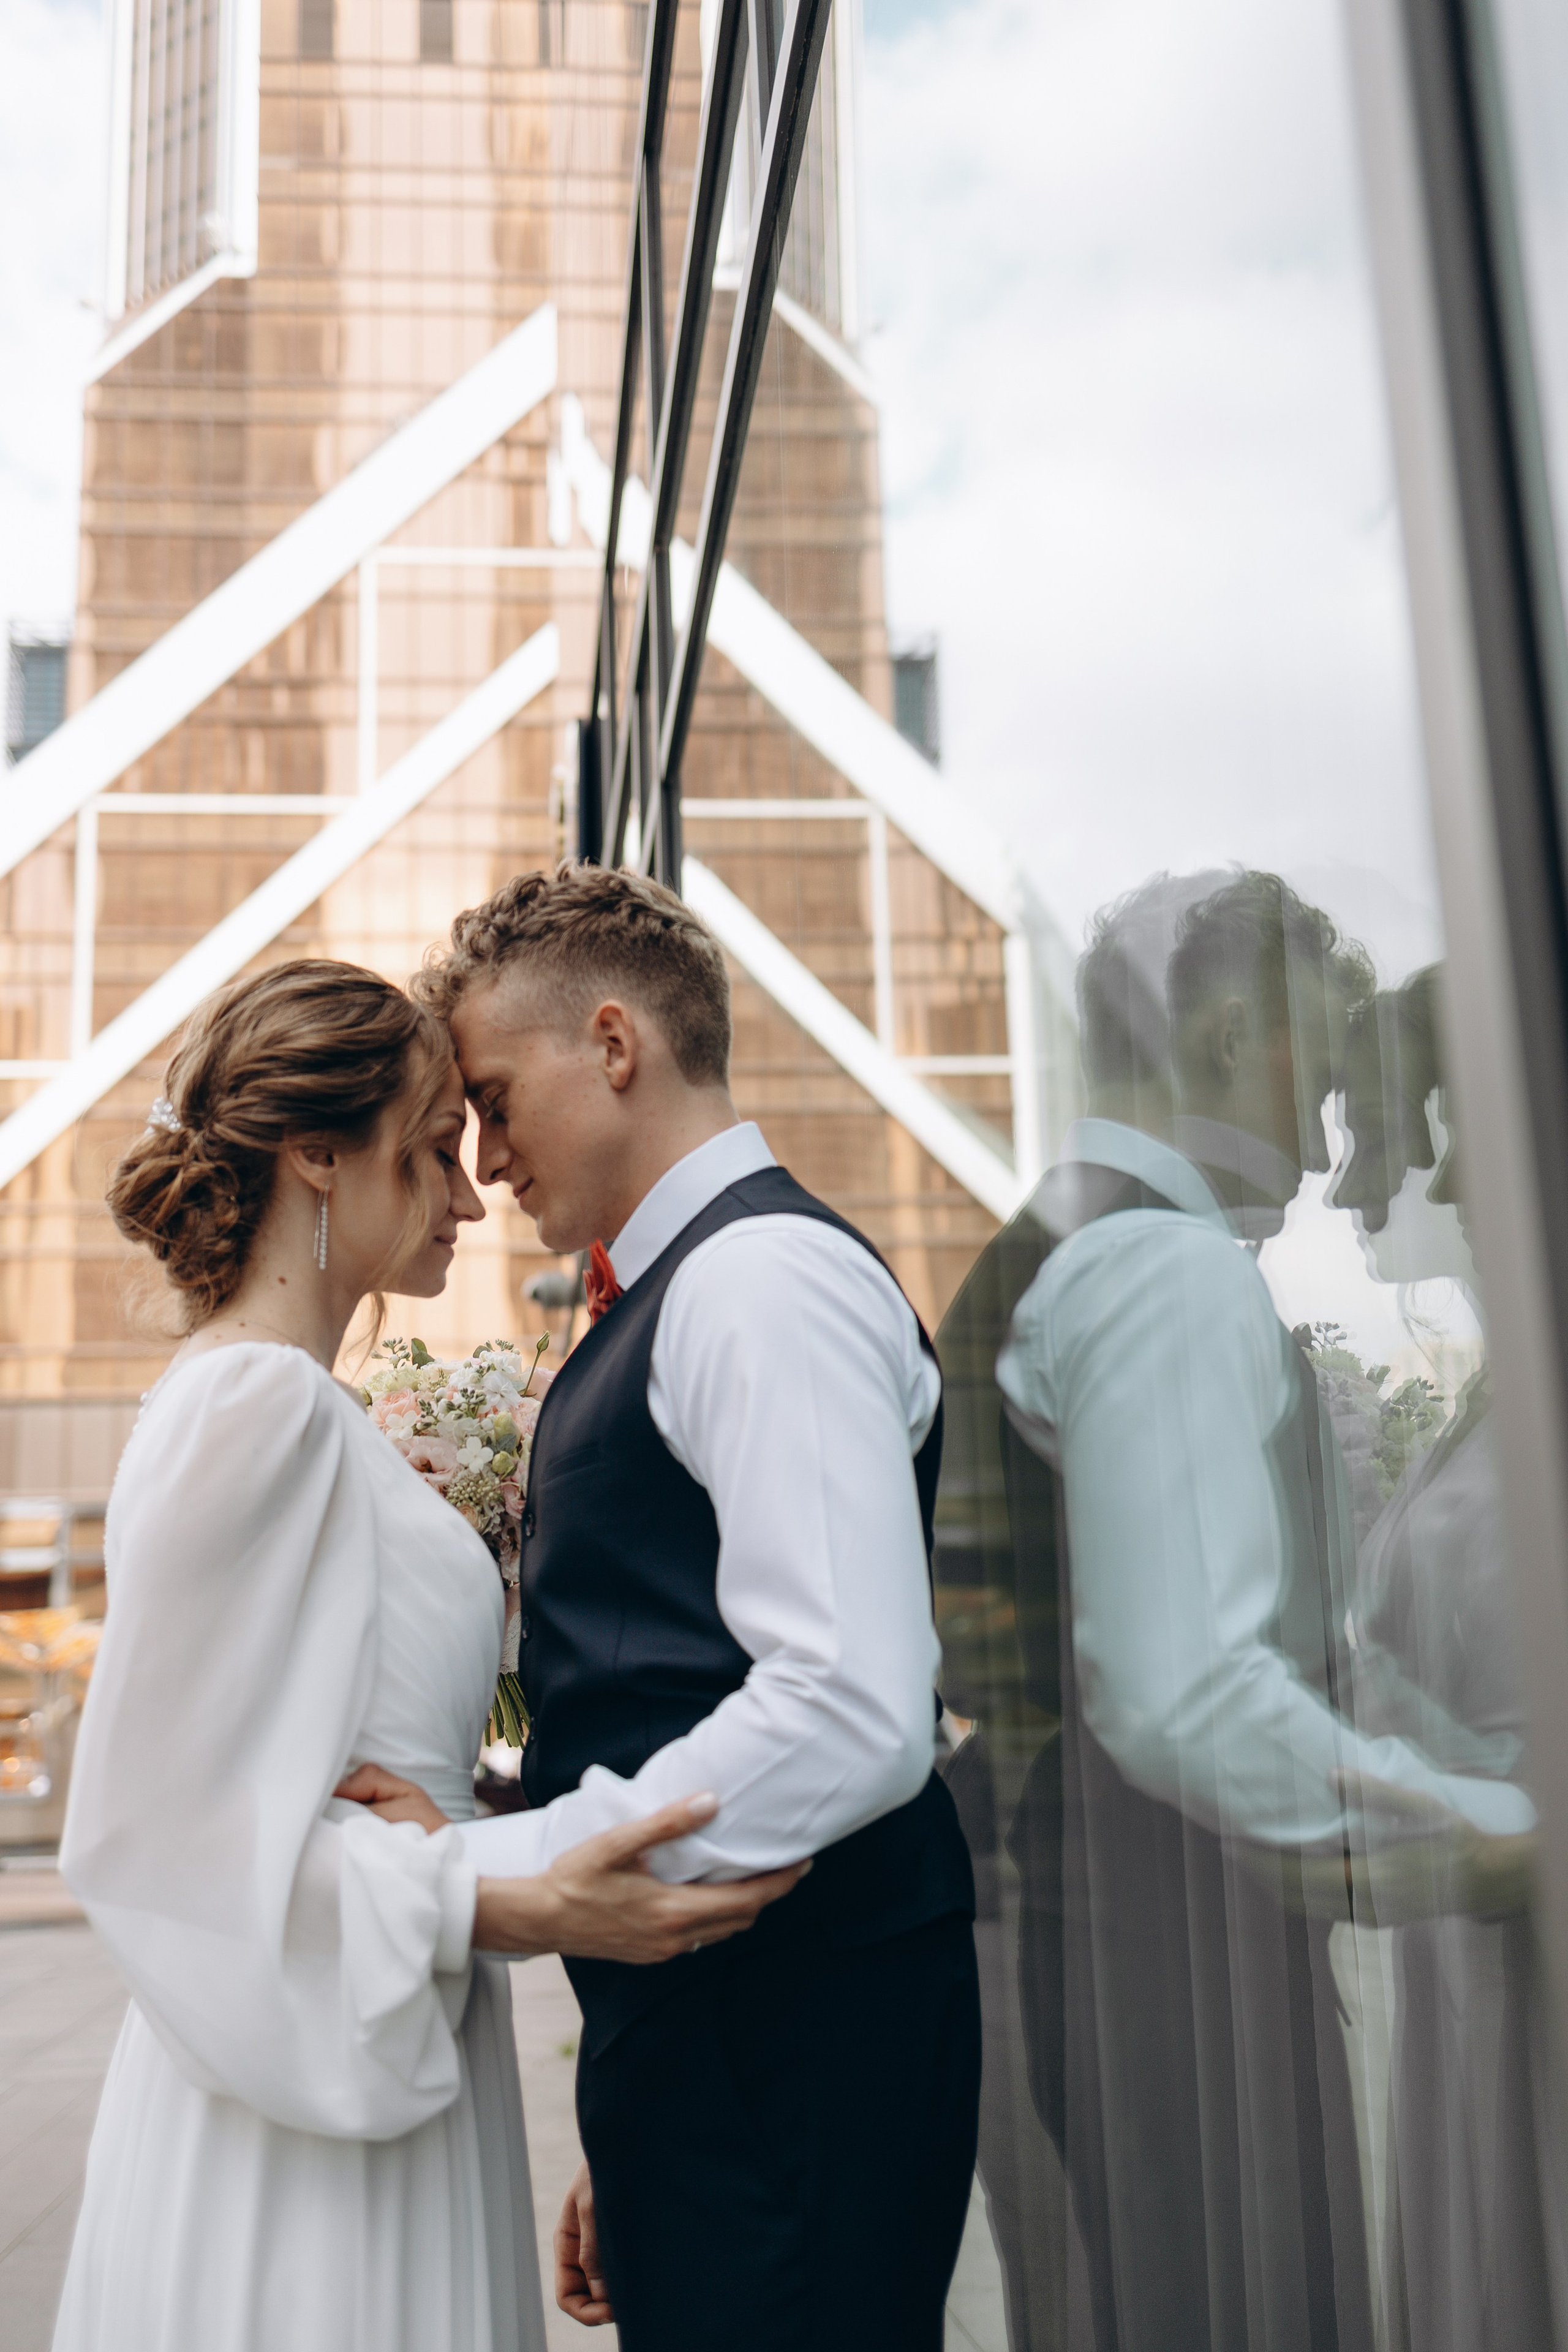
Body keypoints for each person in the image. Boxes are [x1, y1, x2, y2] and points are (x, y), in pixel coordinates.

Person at [53, 959, 804, 2352]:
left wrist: (488, 1833)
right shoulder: (256, 1404)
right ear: (318, 1155)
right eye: (435, 1151)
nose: (470, 1196)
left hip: (386, 2018)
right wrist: (519, 1899)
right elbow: (162, 1832)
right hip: (304, 2098)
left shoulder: (288, 1402)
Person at [348, 864, 981, 2351]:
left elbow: (846, 1706)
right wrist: (638, 2101)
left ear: (614, 1044)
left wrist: (491, 1869)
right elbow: (673, 1678)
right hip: (730, 2053)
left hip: (793, 2045)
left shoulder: (759, 1282)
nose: (486, 1156)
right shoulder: (689, 1289)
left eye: (494, 1099)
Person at [933, 873, 1534, 2352]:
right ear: (1217, 1034)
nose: (1331, 1148)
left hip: (1077, 1922)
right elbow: (1189, 1686)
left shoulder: (1070, 1243)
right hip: (1152, 1956)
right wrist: (1473, 1830)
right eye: (1316, 1071)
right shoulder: (1161, 1271)